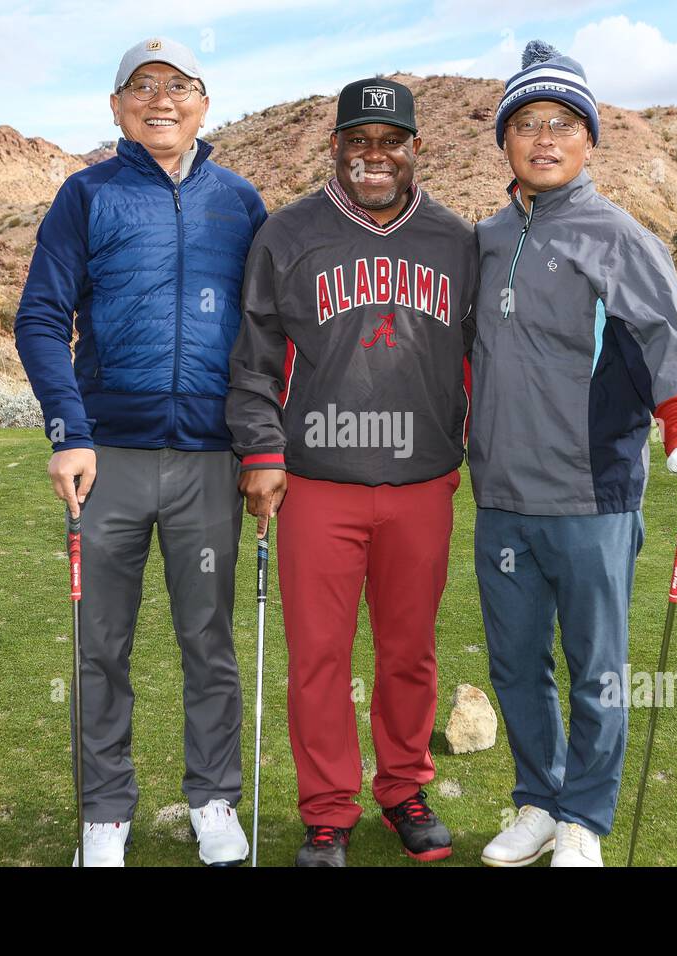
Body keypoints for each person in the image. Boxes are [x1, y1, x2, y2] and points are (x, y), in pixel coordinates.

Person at [470, 41, 677, 868]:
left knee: (598, 670)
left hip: (593, 495)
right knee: (514, 664)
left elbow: (669, 338)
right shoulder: (483, 238)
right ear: (505, 139)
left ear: (589, 141)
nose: (545, 137)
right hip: (502, 496)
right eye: (528, 123)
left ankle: (585, 820)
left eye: (565, 124)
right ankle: (537, 801)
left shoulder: (620, 236)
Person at [15, 36, 267, 867]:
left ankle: (213, 801)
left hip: (209, 462)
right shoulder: (85, 195)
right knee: (101, 647)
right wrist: (68, 429)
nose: (160, 100)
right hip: (106, 459)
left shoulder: (241, 201)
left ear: (205, 101)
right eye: (141, 86)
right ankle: (106, 815)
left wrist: (263, 445)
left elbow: (266, 333)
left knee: (209, 641)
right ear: (116, 105)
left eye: (179, 86)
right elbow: (41, 318)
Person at [226, 78, 477, 867]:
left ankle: (403, 789)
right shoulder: (288, 233)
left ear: (414, 150)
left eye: (390, 141)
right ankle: (328, 810)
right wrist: (262, 451)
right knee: (321, 658)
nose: (375, 156)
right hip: (317, 483)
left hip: (420, 484)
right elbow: (255, 360)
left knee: (409, 652)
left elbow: (479, 360)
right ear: (334, 146)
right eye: (358, 141)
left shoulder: (455, 239)